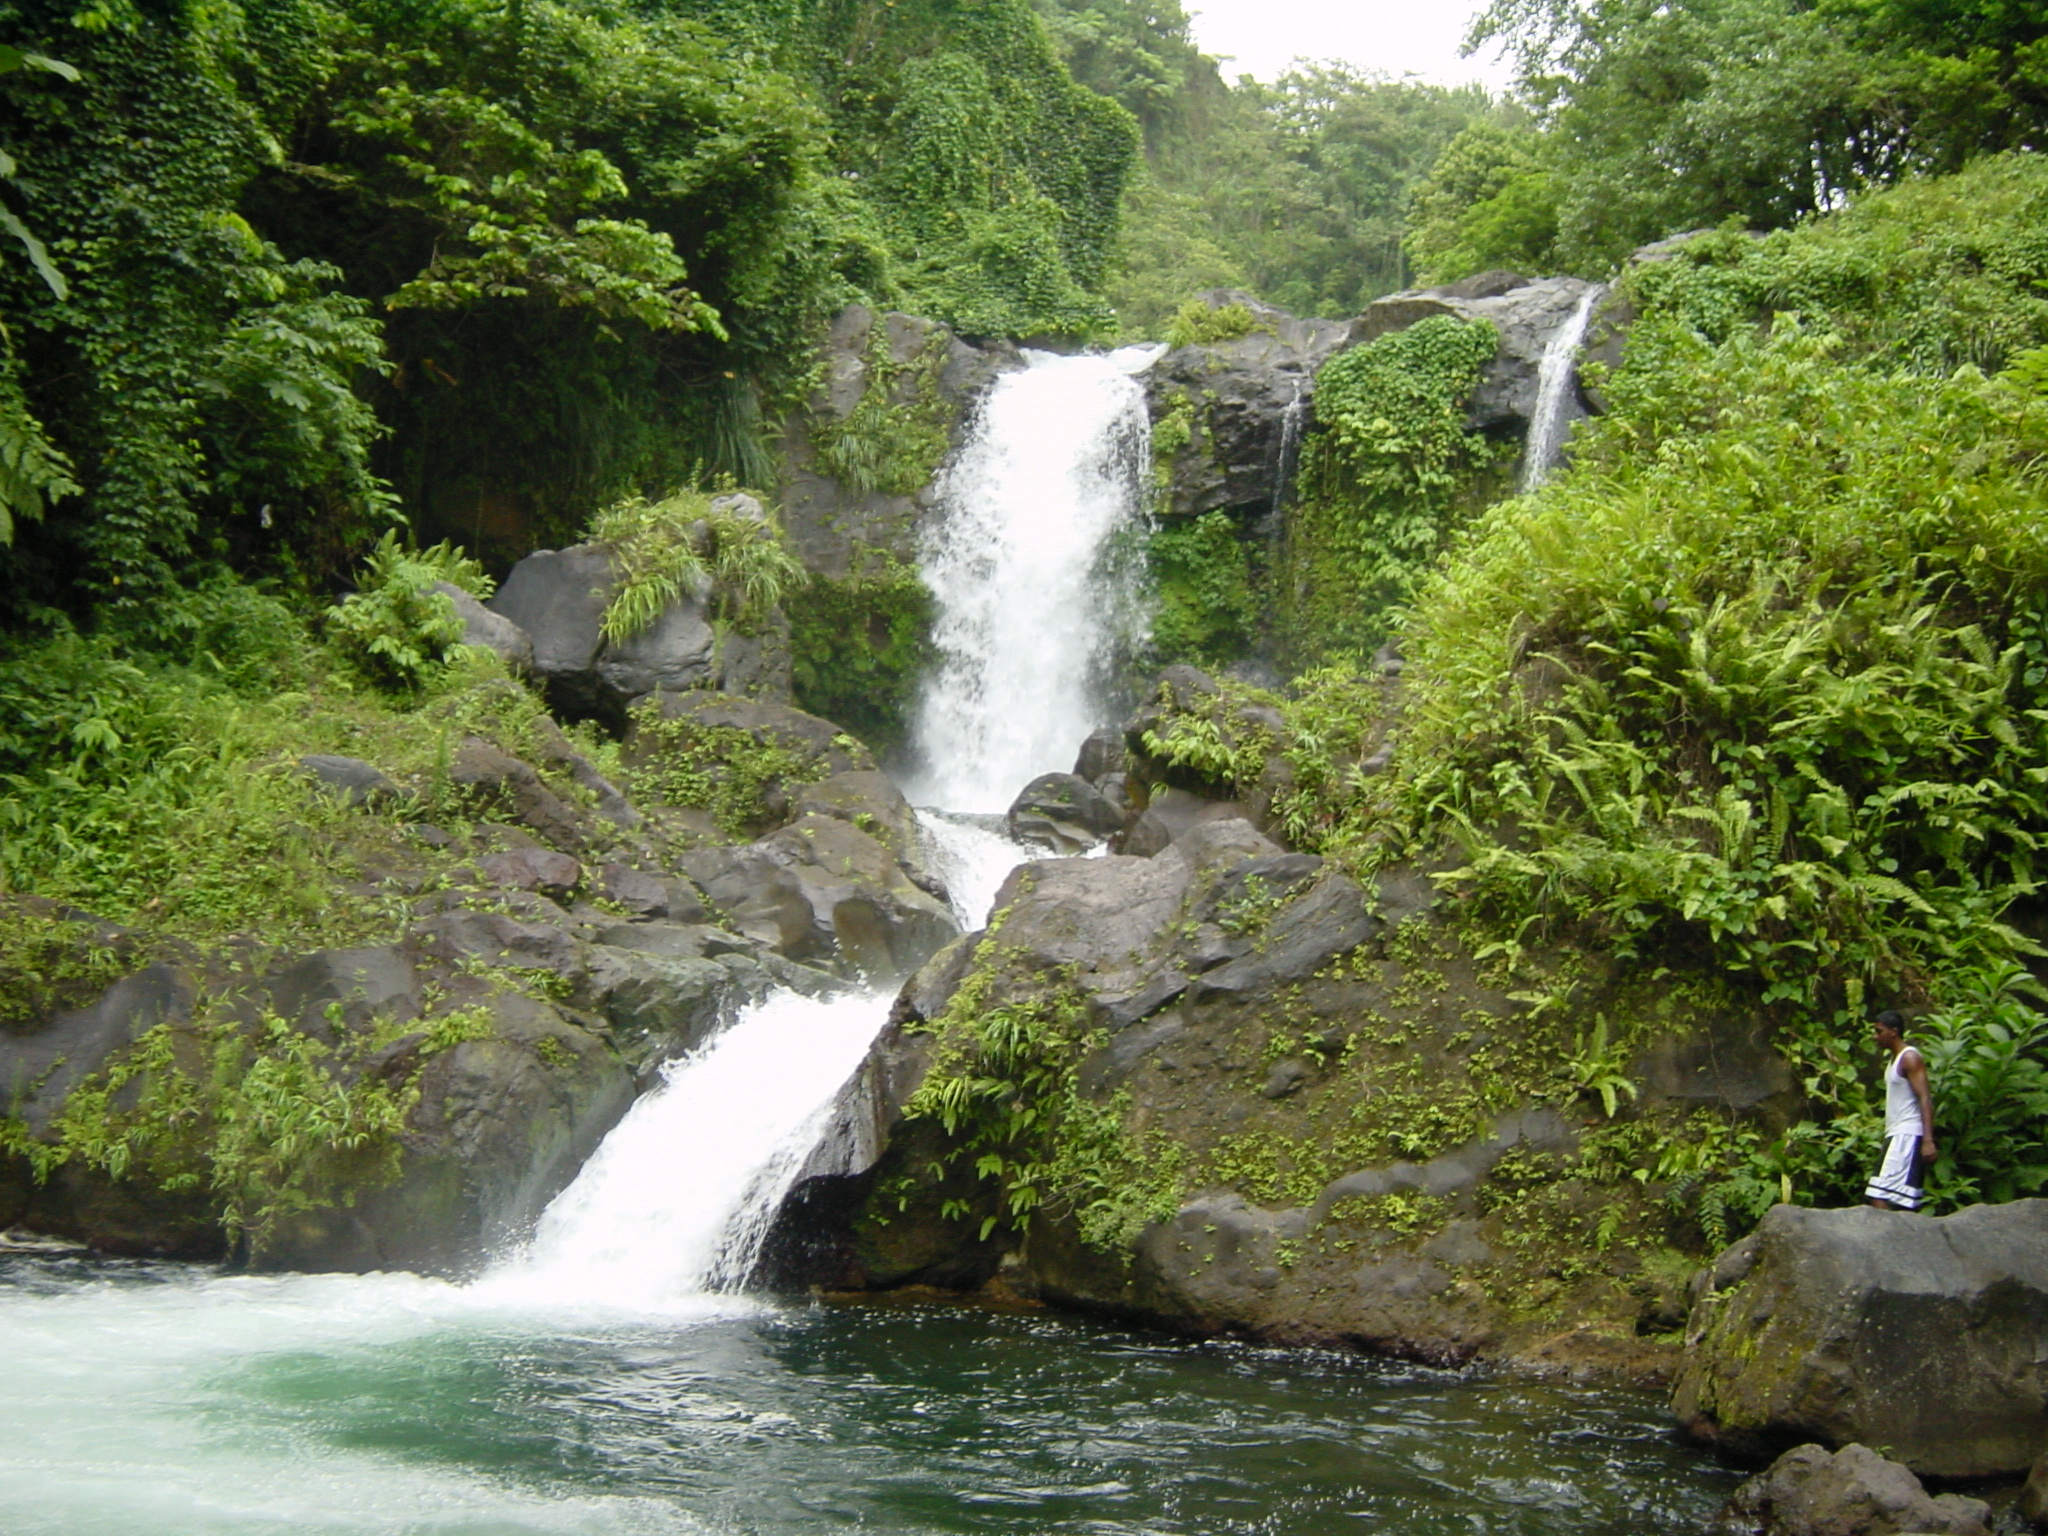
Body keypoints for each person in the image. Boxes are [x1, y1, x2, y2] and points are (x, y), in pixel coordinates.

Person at [1865, 1010, 1936, 1210]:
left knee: (1880, 1194)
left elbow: (1925, 1097)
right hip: (1896, 1134)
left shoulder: (1909, 1058)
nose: (1875, 1037)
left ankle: (1887, 1238)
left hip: (1907, 1134)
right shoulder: (1894, 1060)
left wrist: (1928, 1140)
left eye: (1879, 1032)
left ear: (1893, 1032)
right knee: (1897, 1197)